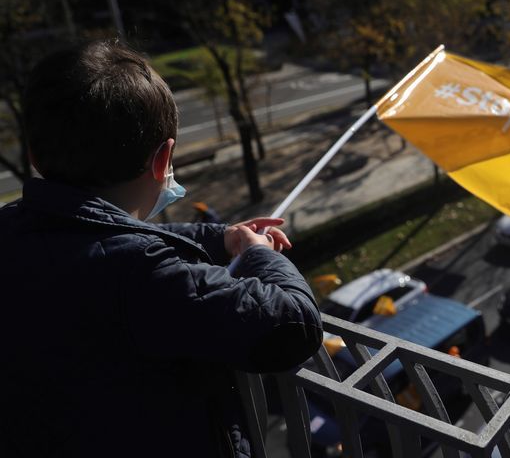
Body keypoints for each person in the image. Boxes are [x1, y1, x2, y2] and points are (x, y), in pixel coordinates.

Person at [0, 40, 323, 458]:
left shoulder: (13, 226)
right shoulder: (143, 274)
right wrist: (260, 254)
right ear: (163, 159)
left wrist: (220, 238)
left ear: (33, 156)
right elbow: (295, 326)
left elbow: (96, 236)